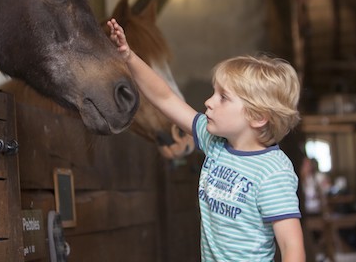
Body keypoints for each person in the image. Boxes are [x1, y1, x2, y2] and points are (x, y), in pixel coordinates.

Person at [107, 18, 305, 262]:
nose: (209, 102)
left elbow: (291, 246)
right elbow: (165, 98)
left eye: (223, 97)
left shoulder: (273, 172)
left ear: (257, 117)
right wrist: (129, 57)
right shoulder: (214, 142)